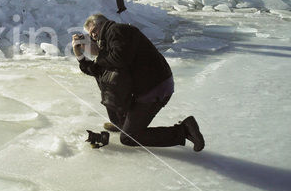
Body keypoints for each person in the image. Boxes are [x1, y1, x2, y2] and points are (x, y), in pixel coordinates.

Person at [72, 13, 204, 151]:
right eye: (90, 35)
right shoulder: (109, 43)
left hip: (155, 88)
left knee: (128, 137)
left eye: (94, 31)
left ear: (102, 24)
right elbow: (98, 70)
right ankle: (122, 125)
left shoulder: (117, 30)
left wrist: (99, 53)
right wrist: (80, 55)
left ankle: (184, 130)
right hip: (144, 88)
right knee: (115, 107)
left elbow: (120, 59)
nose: (93, 36)